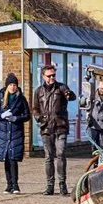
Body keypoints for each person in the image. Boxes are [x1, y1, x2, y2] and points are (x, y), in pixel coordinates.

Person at [32, 63, 75, 196]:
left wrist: (68, 94)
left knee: (61, 154)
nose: (52, 78)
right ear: (43, 76)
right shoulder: (39, 91)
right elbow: (35, 108)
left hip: (60, 126)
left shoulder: (61, 87)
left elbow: (71, 97)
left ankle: (62, 185)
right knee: (48, 157)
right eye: (49, 75)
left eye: (53, 75)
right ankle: (50, 185)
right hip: (46, 128)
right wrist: (39, 118)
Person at [0, 73, 30, 195]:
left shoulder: (21, 99)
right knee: (6, 159)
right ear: (7, 86)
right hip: (3, 133)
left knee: (13, 159)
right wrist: (2, 116)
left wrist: (15, 118)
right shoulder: (1, 97)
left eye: (15, 85)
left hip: (15, 132)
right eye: (11, 85)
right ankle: (8, 185)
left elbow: (27, 115)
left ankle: (15, 185)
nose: (13, 87)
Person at [82, 77, 103, 153]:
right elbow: (86, 106)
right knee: (94, 144)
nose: (102, 90)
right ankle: (95, 161)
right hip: (93, 123)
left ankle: (102, 160)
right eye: (101, 88)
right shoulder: (92, 95)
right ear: (98, 87)